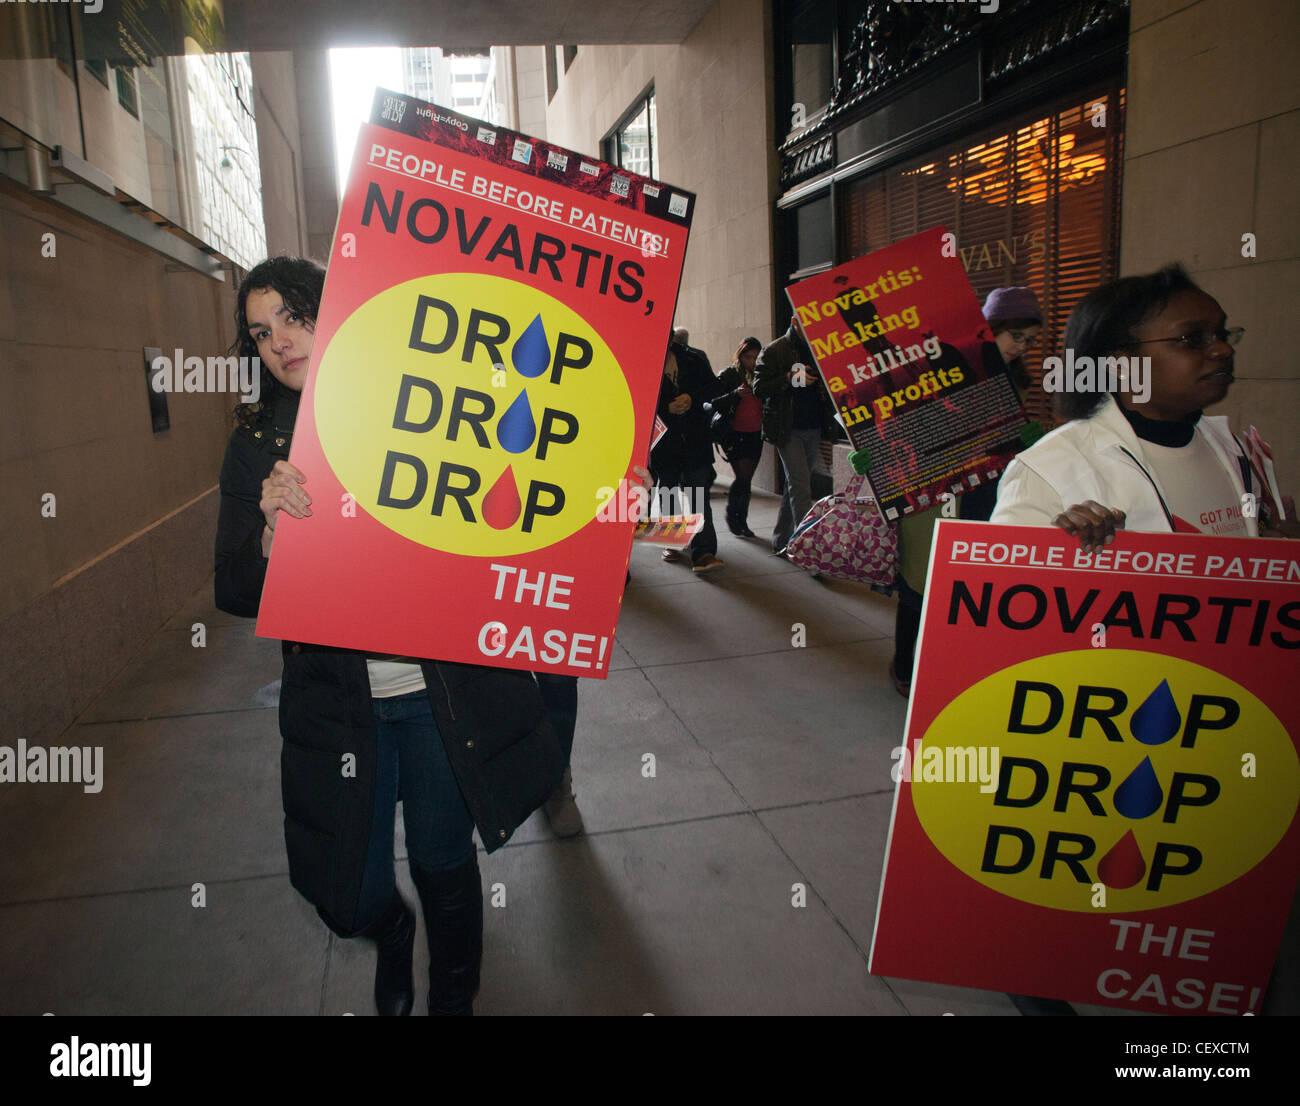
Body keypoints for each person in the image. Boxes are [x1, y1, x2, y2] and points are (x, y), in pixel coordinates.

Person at [214, 256, 564, 1017]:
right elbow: (232, 588)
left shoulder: (421, 401)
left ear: (332, 310)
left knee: (444, 861)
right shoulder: (254, 445)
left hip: (439, 692)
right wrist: (270, 538)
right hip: (339, 705)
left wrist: (602, 496)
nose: (280, 341)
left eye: (295, 317)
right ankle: (391, 930)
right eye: (260, 331)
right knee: (350, 891)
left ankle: (454, 999)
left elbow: (522, 509)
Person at [991, 264, 1294, 544]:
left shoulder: (1237, 452)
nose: (1223, 349)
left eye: (1221, 334)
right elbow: (997, 590)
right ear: (1121, 363)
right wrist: (1061, 553)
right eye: (1193, 338)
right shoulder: (1049, 471)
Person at [886, 287, 1045, 696]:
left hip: (984, 492)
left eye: (1030, 340)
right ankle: (905, 668)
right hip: (932, 495)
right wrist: (873, 455)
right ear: (989, 330)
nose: (1022, 347)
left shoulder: (1016, 379)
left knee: (963, 586)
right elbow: (900, 421)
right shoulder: (944, 366)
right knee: (919, 585)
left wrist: (1030, 439)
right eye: (1016, 336)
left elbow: (1006, 441)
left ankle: (948, 668)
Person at [754, 315, 837, 554]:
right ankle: (807, 547)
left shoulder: (821, 346)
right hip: (787, 429)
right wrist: (788, 379)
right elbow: (759, 387)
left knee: (796, 484)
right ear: (794, 321)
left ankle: (781, 539)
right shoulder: (775, 349)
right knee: (801, 486)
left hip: (814, 427)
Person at [652, 336, 726, 573]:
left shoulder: (693, 357)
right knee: (669, 491)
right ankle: (672, 542)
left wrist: (692, 398)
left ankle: (703, 552)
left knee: (698, 496)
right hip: (664, 442)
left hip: (694, 439)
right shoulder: (645, 359)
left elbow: (714, 388)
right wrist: (665, 408)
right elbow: (635, 397)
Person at [711, 336, 765, 537]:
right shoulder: (729, 374)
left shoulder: (762, 375)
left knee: (746, 479)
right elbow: (713, 402)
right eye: (748, 357)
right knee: (742, 477)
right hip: (734, 433)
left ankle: (741, 520)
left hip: (755, 432)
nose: (752, 361)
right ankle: (734, 518)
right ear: (740, 356)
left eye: (756, 357)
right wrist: (735, 394)